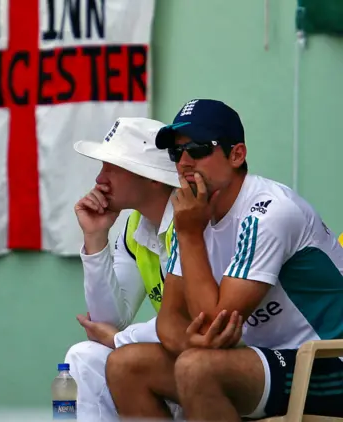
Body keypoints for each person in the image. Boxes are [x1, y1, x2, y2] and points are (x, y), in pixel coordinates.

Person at [105, 98, 343, 421]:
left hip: (327, 360)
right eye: (176, 153)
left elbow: (215, 318)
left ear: (237, 155)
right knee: (125, 366)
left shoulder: (270, 211)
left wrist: (189, 235)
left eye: (198, 148)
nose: (184, 163)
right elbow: (170, 320)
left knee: (196, 369)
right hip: (262, 361)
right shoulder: (192, 213)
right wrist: (188, 339)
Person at [65, 117, 182, 421]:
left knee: (119, 357)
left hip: (223, 361)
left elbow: (187, 322)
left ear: (152, 177)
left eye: (112, 168)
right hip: (172, 357)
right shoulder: (134, 226)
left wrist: (121, 339)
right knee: (84, 356)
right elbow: (108, 321)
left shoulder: (194, 220)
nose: (100, 179)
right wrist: (95, 238)